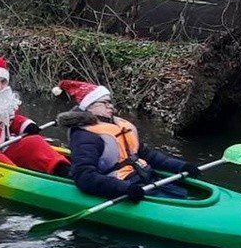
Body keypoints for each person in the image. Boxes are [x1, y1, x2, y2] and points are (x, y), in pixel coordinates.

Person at [52, 79, 194, 201]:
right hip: (121, 186)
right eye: (105, 103)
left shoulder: (118, 126)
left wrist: (181, 166)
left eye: (111, 103)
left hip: (145, 178)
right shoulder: (85, 136)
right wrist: (125, 188)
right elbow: (84, 176)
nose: (111, 106)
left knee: (183, 194)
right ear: (90, 106)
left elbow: (148, 155)